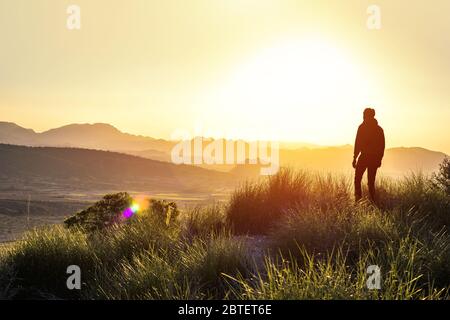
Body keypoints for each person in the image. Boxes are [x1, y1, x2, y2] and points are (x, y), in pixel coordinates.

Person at [353, 108, 385, 202]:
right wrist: (379, 159)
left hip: (365, 157)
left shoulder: (362, 127)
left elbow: (357, 143)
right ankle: (372, 201)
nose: (363, 116)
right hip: (374, 158)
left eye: (364, 114)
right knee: (371, 182)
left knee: (358, 179)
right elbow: (382, 146)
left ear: (368, 115)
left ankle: (358, 200)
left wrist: (355, 157)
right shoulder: (379, 129)